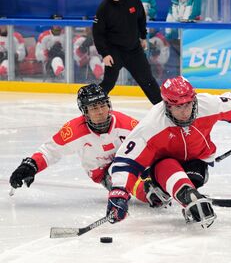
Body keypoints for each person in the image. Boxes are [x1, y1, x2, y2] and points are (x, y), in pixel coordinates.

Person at [105, 76, 231, 228]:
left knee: (197, 176)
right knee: (167, 165)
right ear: (167, 105)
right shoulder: (152, 125)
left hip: (197, 162)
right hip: (160, 166)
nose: (185, 111)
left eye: (188, 104)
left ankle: (181, 191)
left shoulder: (206, 104)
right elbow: (126, 160)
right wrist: (118, 192)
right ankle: (179, 193)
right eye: (178, 106)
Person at [8, 84, 148, 198]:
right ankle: (149, 194)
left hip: (130, 161)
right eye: (93, 107)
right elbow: (50, 151)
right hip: (103, 170)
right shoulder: (75, 130)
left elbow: (152, 142)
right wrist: (30, 166)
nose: (100, 111)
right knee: (141, 188)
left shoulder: (128, 125)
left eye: (102, 105)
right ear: (85, 111)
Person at [93, 0, 162, 105]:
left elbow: (141, 20)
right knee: (108, 83)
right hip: (114, 52)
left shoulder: (134, 1)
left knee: (147, 81)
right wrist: (105, 54)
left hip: (134, 50)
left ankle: (163, 110)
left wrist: (143, 37)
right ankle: (92, 106)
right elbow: (98, 33)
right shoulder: (103, 8)